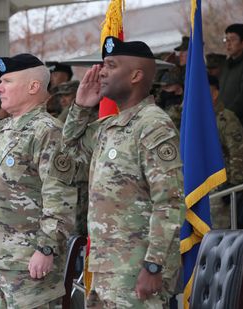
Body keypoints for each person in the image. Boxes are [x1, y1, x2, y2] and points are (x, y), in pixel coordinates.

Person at [61, 36, 184, 307]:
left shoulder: (153, 126)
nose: (101, 71)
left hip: (136, 271)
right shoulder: (109, 127)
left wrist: (153, 266)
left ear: (136, 75)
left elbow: (170, 202)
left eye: (111, 65)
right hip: (107, 268)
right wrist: (81, 107)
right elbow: (69, 155)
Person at [0, 54, 77, 308]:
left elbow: (59, 198)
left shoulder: (48, 131)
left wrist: (46, 249)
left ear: (33, 87)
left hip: (28, 259)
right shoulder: (4, 128)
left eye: (7, 81)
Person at [207, 75, 243, 228]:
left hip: (219, 188)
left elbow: (239, 153)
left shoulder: (226, 119)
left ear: (214, 93)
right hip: (197, 186)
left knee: (218, 237)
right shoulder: (193, 119)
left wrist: (232, 185)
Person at [219, 23, 243, 127]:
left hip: (238, 124)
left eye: (232, 39)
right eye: (226, 40)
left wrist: (223, 117)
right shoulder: (226, 65)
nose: (228, 44)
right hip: (223, 122)